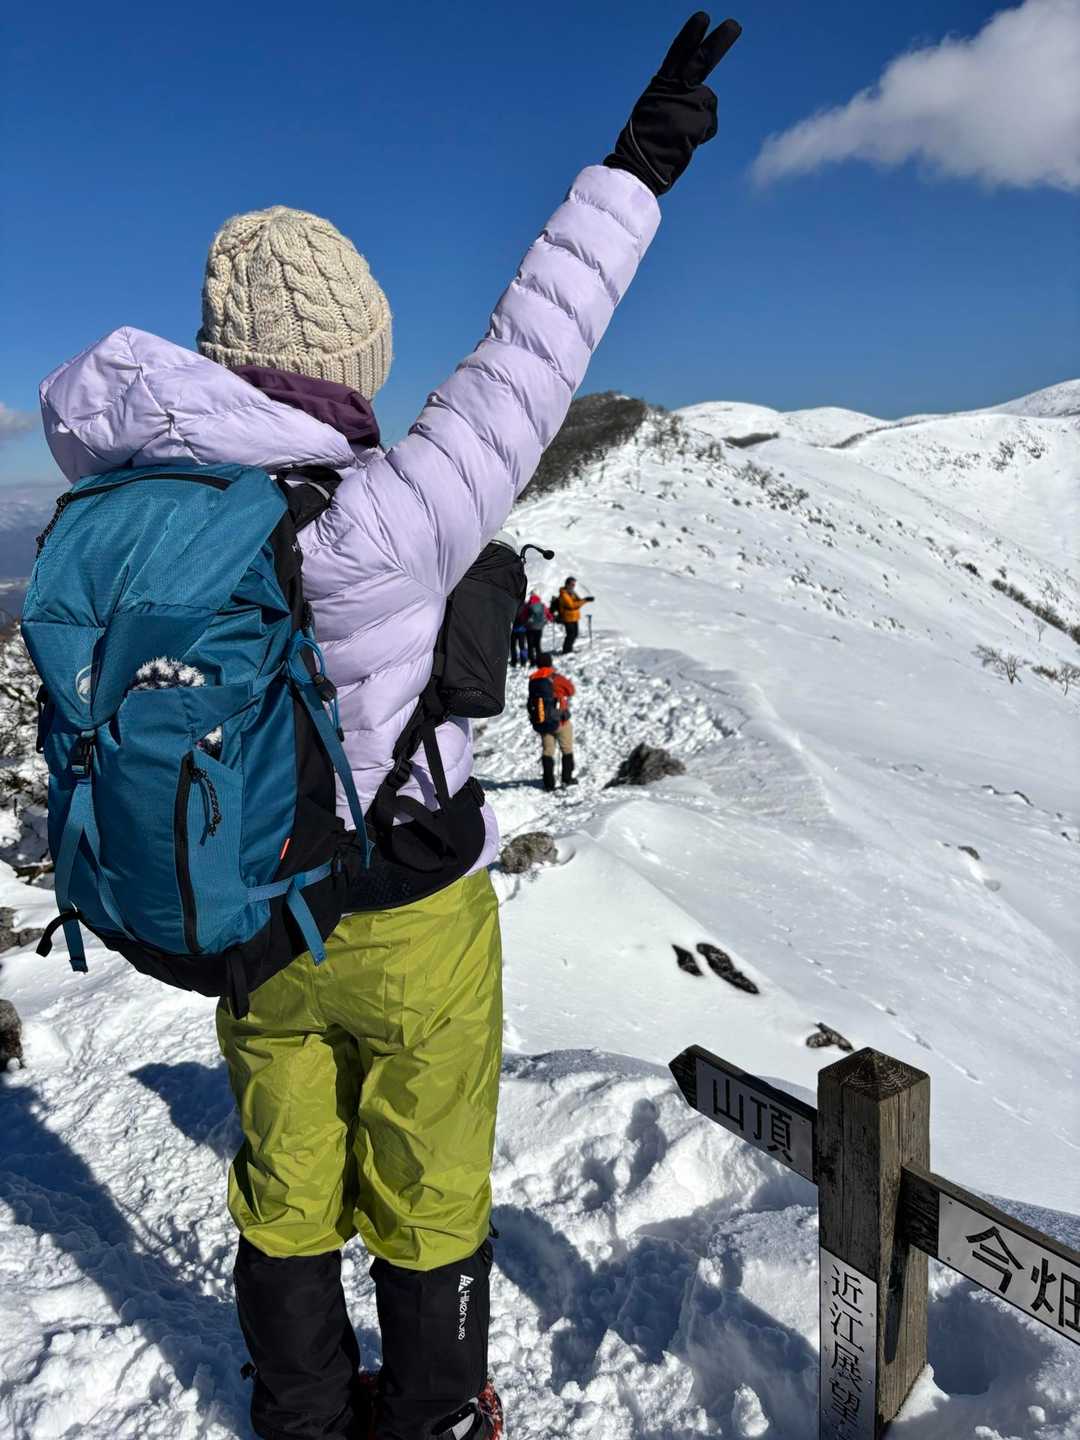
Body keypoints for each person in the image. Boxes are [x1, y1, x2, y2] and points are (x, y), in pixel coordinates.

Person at [34, 13, 740, 1440]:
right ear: (351, 360)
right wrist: (636, 165)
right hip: (417, 917)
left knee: (287, 1182)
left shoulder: (128, 508)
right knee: (427, 1184)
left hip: (252, 911)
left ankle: (300, 1411)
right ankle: (431, 1414)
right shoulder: (390, 515)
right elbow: (535, 347)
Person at [528, 653, 577, 791]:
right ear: (550, 663)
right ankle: (567, 779)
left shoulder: (533, 679)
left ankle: (549, 783)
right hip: (560, 721)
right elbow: (571, 690)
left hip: (543, 721)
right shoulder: (555, 678)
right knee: (566, 748)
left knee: (548, 751)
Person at [557, 576, 594, 655]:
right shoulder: (564, 594)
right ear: (567, 584)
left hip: (574, 617)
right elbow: (572, 605)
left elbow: (578, 602)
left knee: (574, 634)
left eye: (574, 584)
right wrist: (585, 600)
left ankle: (569, 649)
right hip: (568, 617)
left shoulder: (571, 593)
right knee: (570, 635)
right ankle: (566, 651)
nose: (573, 586)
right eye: (572, 584)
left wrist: (585, 599)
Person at [522, 591, 552, 665]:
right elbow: (547, 613)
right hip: (539, 627)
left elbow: (524, 615)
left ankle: (532, 661)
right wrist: (551, 618)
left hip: (529, 628)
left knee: (530, 645)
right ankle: (539, 660)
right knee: (537, 644)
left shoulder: (528, 605)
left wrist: (524, 622)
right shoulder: (542, 605)